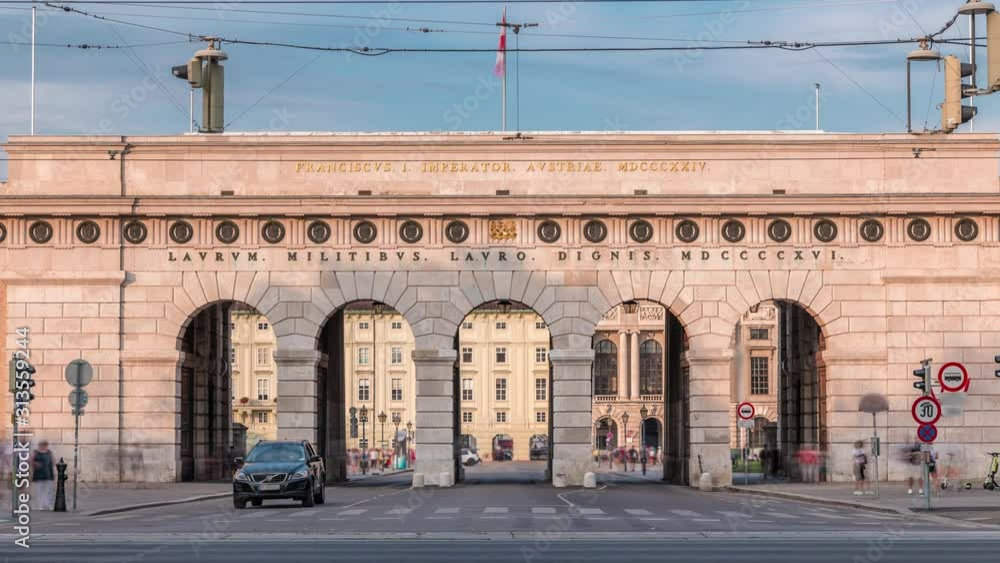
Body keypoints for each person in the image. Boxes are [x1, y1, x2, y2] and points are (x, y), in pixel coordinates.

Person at [32, 440, 56, 510]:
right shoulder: (35, 452)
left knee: (48, 491)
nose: (44, 447)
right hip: (38, 474)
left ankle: (47, 504)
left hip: (48, 474)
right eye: (42, 445)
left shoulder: (49, 452)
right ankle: (40, 505)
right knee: (39, 491)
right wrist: (35, 464)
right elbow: (30, 461)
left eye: (45, 445)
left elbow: (53, 461)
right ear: (40, 445)